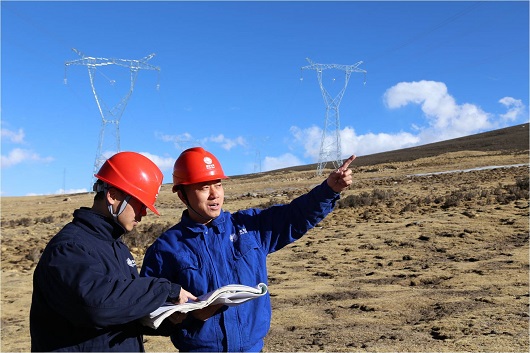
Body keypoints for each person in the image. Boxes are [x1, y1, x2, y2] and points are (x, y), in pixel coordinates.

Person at [140, 146, 355, 352]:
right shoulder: (165, 249)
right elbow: (149, 314)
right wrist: (190, 317)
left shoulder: (250, 226)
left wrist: (329, 191)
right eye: (204, 187)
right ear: (182, 195)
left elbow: (294, 216)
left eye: (218, 184)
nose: (214, 194)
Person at [30, 151, 197, 352]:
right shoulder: (70, 248)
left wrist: (167, 319)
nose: (143, 214)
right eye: (140, 204)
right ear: (113, 196)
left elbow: (120, 312)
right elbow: (96, 306)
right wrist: (164, 290)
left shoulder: (117, 248)